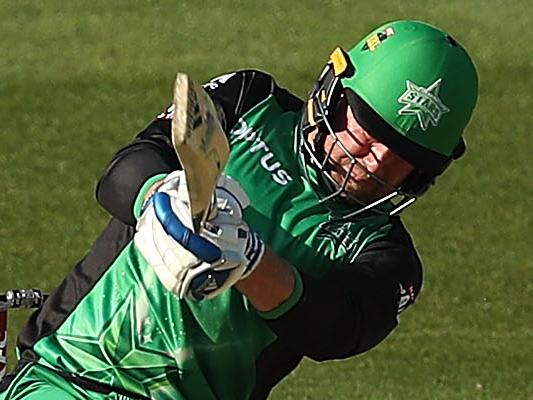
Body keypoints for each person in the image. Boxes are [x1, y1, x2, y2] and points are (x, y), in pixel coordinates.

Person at [0, 20, 478, 400]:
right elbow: (122, 173)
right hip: (69, 373)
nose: (375, 159)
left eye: (403, 157)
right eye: (368, 129)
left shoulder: (387, 254)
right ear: (334, 92)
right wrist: (163, 201)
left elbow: (336, 326)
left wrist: (248, 263)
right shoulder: (253, 102)